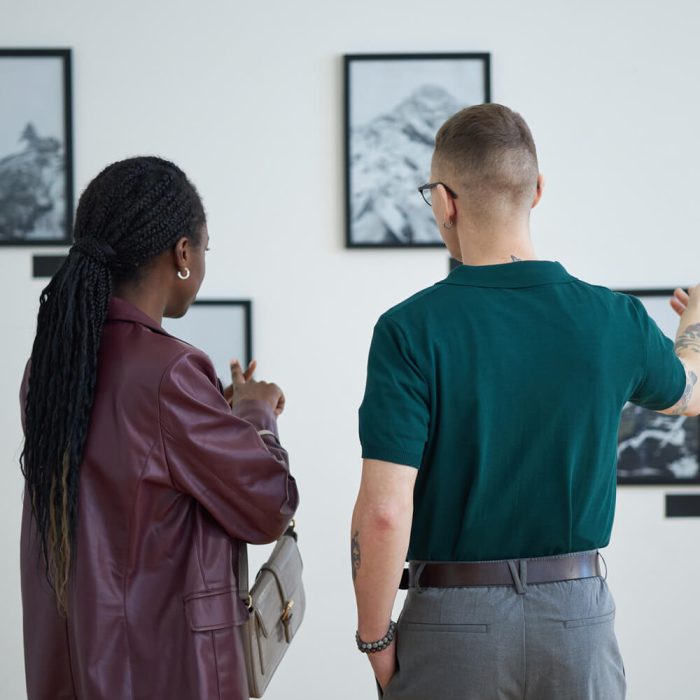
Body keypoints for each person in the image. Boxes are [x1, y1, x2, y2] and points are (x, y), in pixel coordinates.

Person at [351, 103, 700, 700]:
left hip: (452, 625)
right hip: (577, 621)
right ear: (537, 190)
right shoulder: (615, 319)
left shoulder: (408, 330)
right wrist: (692, 324)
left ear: (444, 202)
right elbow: (690, 392)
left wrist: (374, 639)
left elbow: (385, 512)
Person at [19, 156, 298, 700]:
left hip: (72, 676)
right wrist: (255, 413)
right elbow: (269, 504)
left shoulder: (51, 369)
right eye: (206, 248)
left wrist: (215, 414)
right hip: (167, 676)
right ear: (183, 254)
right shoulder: (171, 372)